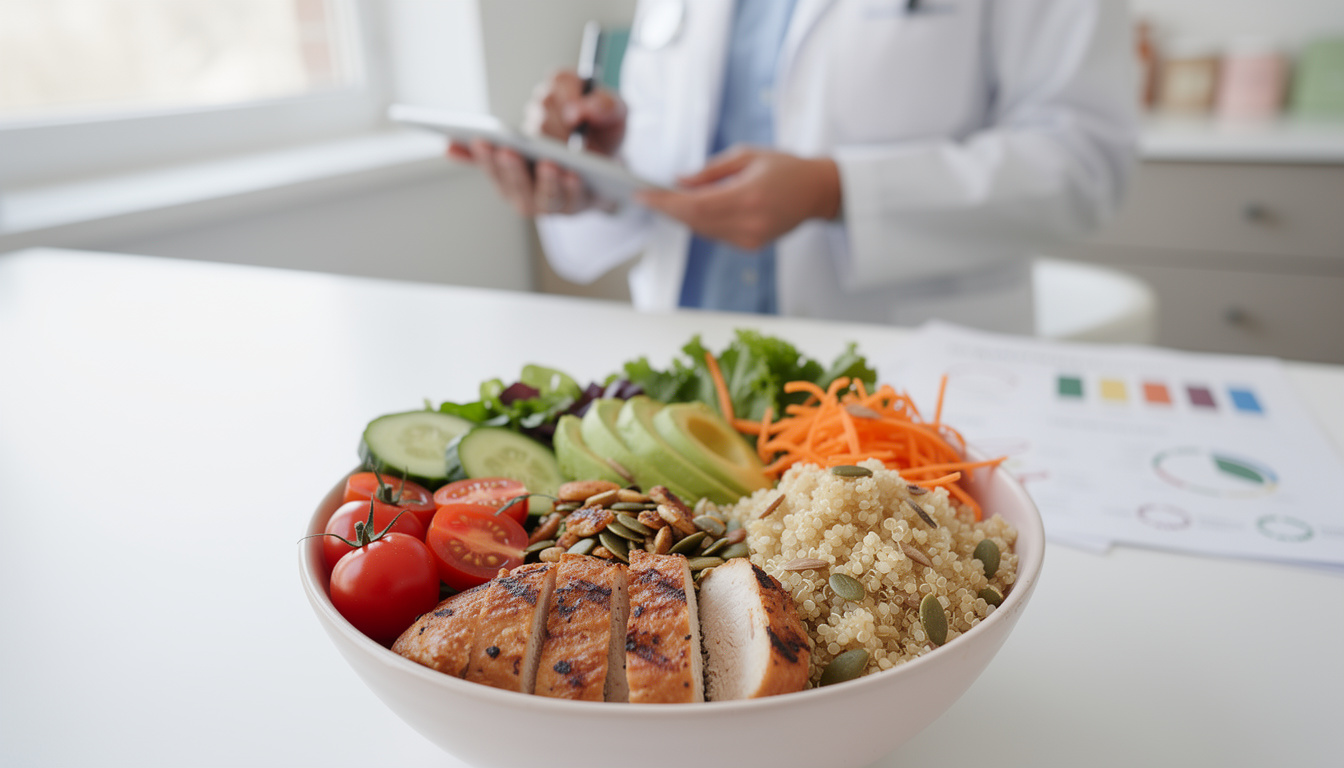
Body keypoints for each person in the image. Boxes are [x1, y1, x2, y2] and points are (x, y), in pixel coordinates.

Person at [453, 0, 1139, 333]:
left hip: (899, 368)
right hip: (687, 373)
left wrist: (833, 191)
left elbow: (1083, 161)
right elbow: (679, 149)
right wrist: (598, 171)